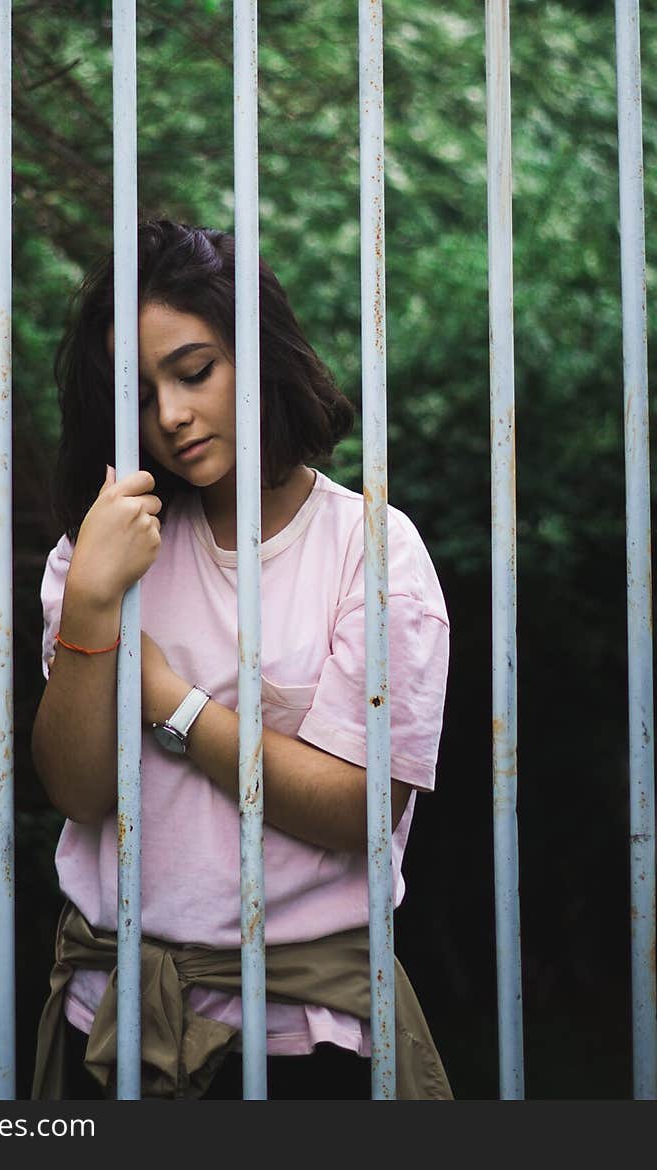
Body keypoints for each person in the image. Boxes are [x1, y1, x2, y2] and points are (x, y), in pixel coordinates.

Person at [30, 219, 452, 1101]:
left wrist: (169, 701)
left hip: (303, 1035)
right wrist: (94, 606)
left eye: (193, 372)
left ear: (257, 353)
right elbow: (76, 791)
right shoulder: (100, 551)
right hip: (112, 1025)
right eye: (139, 394)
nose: (171, 416)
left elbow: (355, 808)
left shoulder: (369, 549)